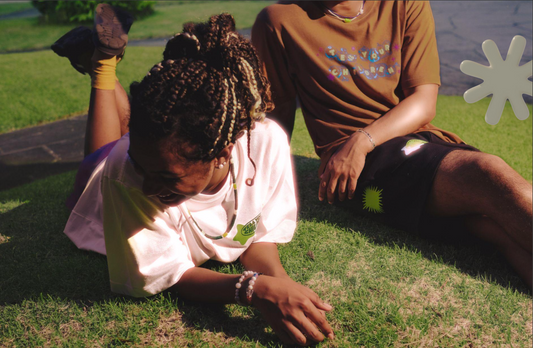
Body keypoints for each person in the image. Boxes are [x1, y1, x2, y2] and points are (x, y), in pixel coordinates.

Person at [57, 4, 334, 346]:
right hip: (103, 180)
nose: (147, 186)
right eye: (143, 169)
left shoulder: (265, 142)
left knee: (137, 144)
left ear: (223, 153)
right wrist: (252, 289)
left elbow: (259, 236)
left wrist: (280, 283)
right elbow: (163, 273)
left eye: (167, 177)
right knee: (103, 155)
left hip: (149, 149)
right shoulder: (127, 173)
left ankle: (101, 62)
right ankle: (101, 65)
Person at [252, 1, 532, 289]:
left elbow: (424, 101)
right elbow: (277, 117)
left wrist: (363, 140)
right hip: (353, 168)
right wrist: (262, 187)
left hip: (415, 141)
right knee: (486, 173)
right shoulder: (279, 20)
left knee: (494, 222)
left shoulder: (405, 3)